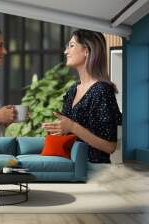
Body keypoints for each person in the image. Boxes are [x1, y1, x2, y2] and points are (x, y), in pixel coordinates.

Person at [42, 29, 122, 163]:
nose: (66, 51)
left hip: (93, 171)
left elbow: (110, 146)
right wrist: (58, 130)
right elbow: (69, 134)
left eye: (71, 46)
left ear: (87, 51)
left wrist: (72, 127)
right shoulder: (73, 90)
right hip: (70, 167)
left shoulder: (102, 90)